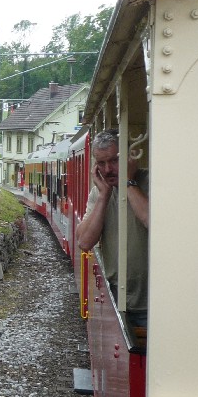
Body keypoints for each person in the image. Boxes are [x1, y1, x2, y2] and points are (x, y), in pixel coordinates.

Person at [75, 130, 149, 328]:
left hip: (152, 303)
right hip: (117, 299)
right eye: (101, 163)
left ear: (129, 157)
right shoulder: (99, 193)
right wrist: (104, 195)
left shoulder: (149, 182)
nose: (107, 169)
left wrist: (129, 182)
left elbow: (151, 221)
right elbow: (84, 242)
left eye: (114, 160)